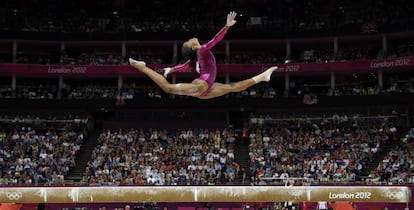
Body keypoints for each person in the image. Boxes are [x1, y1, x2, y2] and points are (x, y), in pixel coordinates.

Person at [129, 11, 278, 99]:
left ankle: (262, 77)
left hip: (206, 89)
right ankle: (143, 67)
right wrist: (226, 26)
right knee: (168, 88)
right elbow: (215, 40)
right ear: (193, 47)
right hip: (202, 86)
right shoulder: (203, 50)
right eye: (189, 41)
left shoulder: (198, 57)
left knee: (232, 87)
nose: (191, 38)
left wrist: (173, 69)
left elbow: (186, 65)